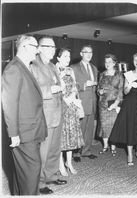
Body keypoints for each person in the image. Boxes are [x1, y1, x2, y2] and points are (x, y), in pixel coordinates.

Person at [1, 35, 48, 195]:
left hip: (31, 130)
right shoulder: (14, 68)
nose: (38, 50)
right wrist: (13, 134)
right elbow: (9, 103)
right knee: (31, 174)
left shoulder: (24, 66)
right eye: (36, 46)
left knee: (23, 174)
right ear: (24, 47)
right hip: (23, 133)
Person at [31, 36, 67, 194]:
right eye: (49, 47)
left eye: (54, 47)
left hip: (57, 112)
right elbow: (31, 91)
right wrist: (50, 90)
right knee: (42, 152)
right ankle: (38, 183)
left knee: (54, 149)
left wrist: (62, 88)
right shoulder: (33, 66)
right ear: (39, 48)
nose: (53, 50)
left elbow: (58, 86)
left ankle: (51, 176)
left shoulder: (52, 66)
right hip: (44, 115)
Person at [109, 53, 137, 166]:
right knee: (130, 127)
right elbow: (125, 92)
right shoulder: (128, 74)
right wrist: (129, 86)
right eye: (135, 59)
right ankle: (129, 154)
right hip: (131, 104)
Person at [55, 48, 85, 176]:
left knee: (71, 136)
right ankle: (60, 165)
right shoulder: (54, 69)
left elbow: (74, 87)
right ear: (58, 58)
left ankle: (69, 163)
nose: (67, 59)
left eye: (69, 56)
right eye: (65, 56)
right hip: (60, 106)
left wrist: (73, 98)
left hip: (71, 106)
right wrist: (65, 99)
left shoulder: (70, 70)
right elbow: (54, 89)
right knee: (62, 137)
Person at [71, 44, 98, 161]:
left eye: (90, 52)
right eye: (86, 52)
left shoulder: (94, 68)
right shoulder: (74, 67)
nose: (89, 54)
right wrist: (84, 84)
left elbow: (95, 85)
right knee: (80, 129)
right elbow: (71, 85)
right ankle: (76, 153)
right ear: (81, 54)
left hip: (92, 103)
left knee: (89, 129)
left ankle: (86, 151)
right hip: (81, 103)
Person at [97, 54, 124, 156]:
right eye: (106, 62)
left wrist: (117, 103)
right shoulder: (102, 74)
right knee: (104, 126)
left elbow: (121, 91)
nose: (107, 64)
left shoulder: (119, 75)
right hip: (103, 104)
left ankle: (113, 147)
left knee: (113, 126)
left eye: (109, 62)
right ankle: (105, 146)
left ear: (114, 63)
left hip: (114, 103)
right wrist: (100, 91)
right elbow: (98, 89)